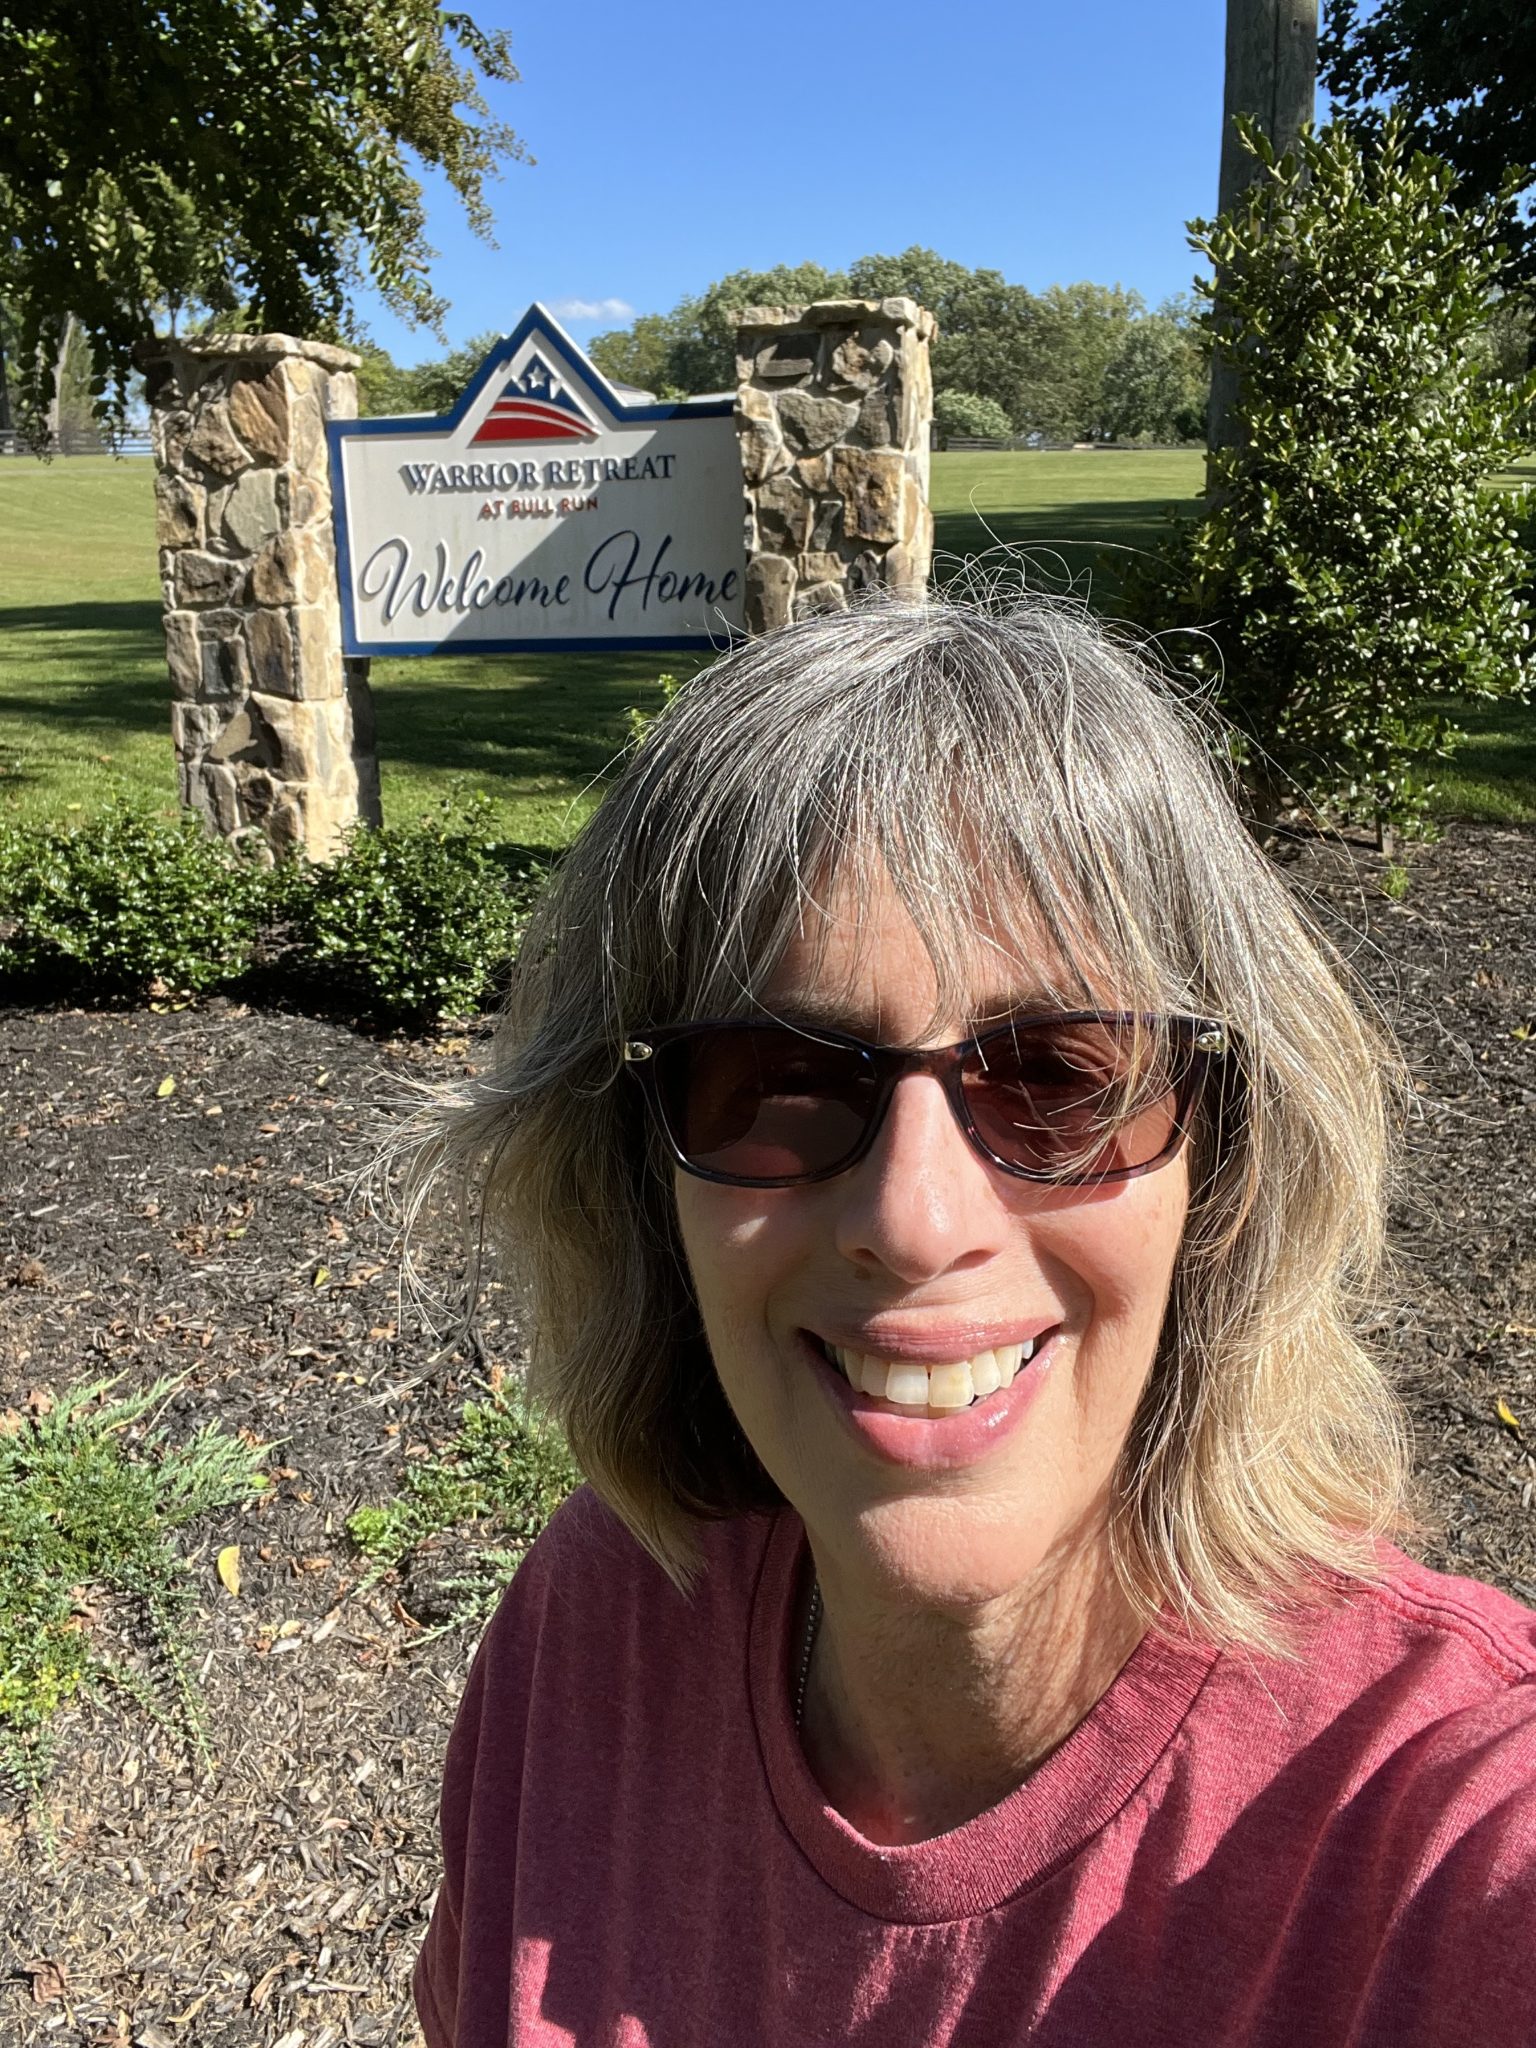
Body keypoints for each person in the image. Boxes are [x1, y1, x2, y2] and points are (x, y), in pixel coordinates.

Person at [408, 599, 1536, 2048]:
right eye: (774, 1078)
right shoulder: (601, 1628)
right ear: (642, 1175)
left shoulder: (1442, 1833)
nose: (919, 1216)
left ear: (1226, 1164)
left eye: (1056, 1077)